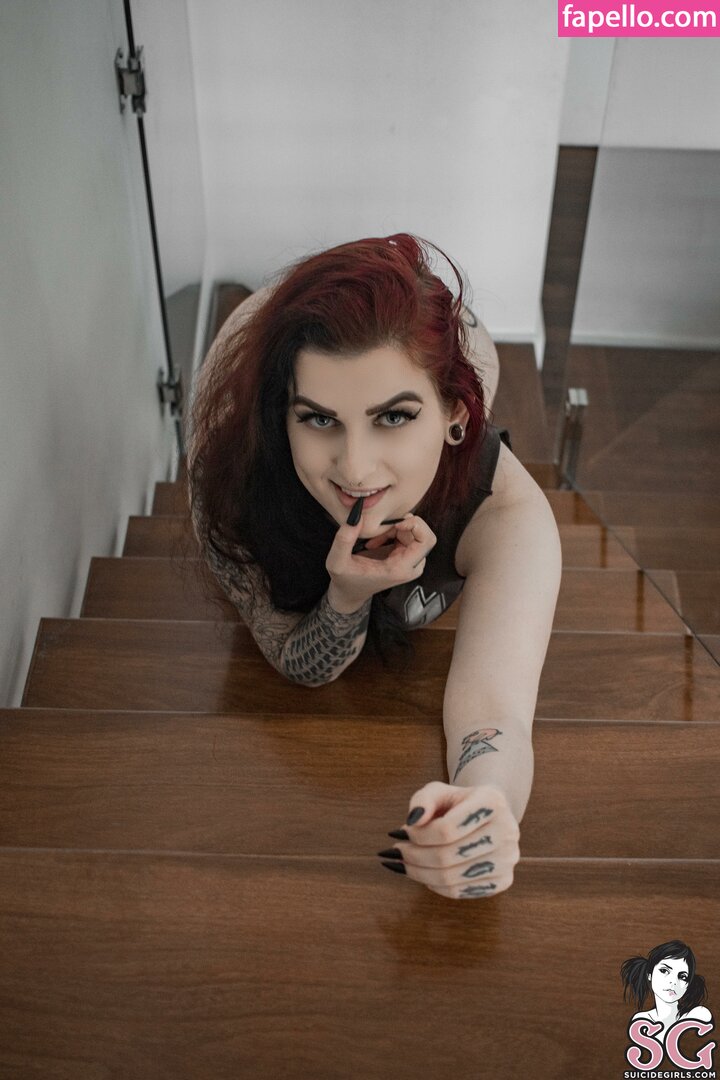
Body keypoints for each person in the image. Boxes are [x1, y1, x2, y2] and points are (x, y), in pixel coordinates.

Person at [187, 233, 562, 900]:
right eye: (318, 420)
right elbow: (296, 661)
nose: (355, 469)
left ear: (454, 415)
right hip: (253, 338)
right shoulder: (230, 475)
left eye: (393, 417)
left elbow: (496, 711)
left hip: (468, 349)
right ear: (284, 417)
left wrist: (486, 806)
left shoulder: (508, 511)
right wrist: (345, 597)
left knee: (474, 353)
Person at [621, 940, 712, 1041]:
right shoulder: (642, 1020)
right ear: (649, 975)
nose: (673, 982)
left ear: (688, 985)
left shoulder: (698, 1014)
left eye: (682, 977)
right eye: (664, 971)